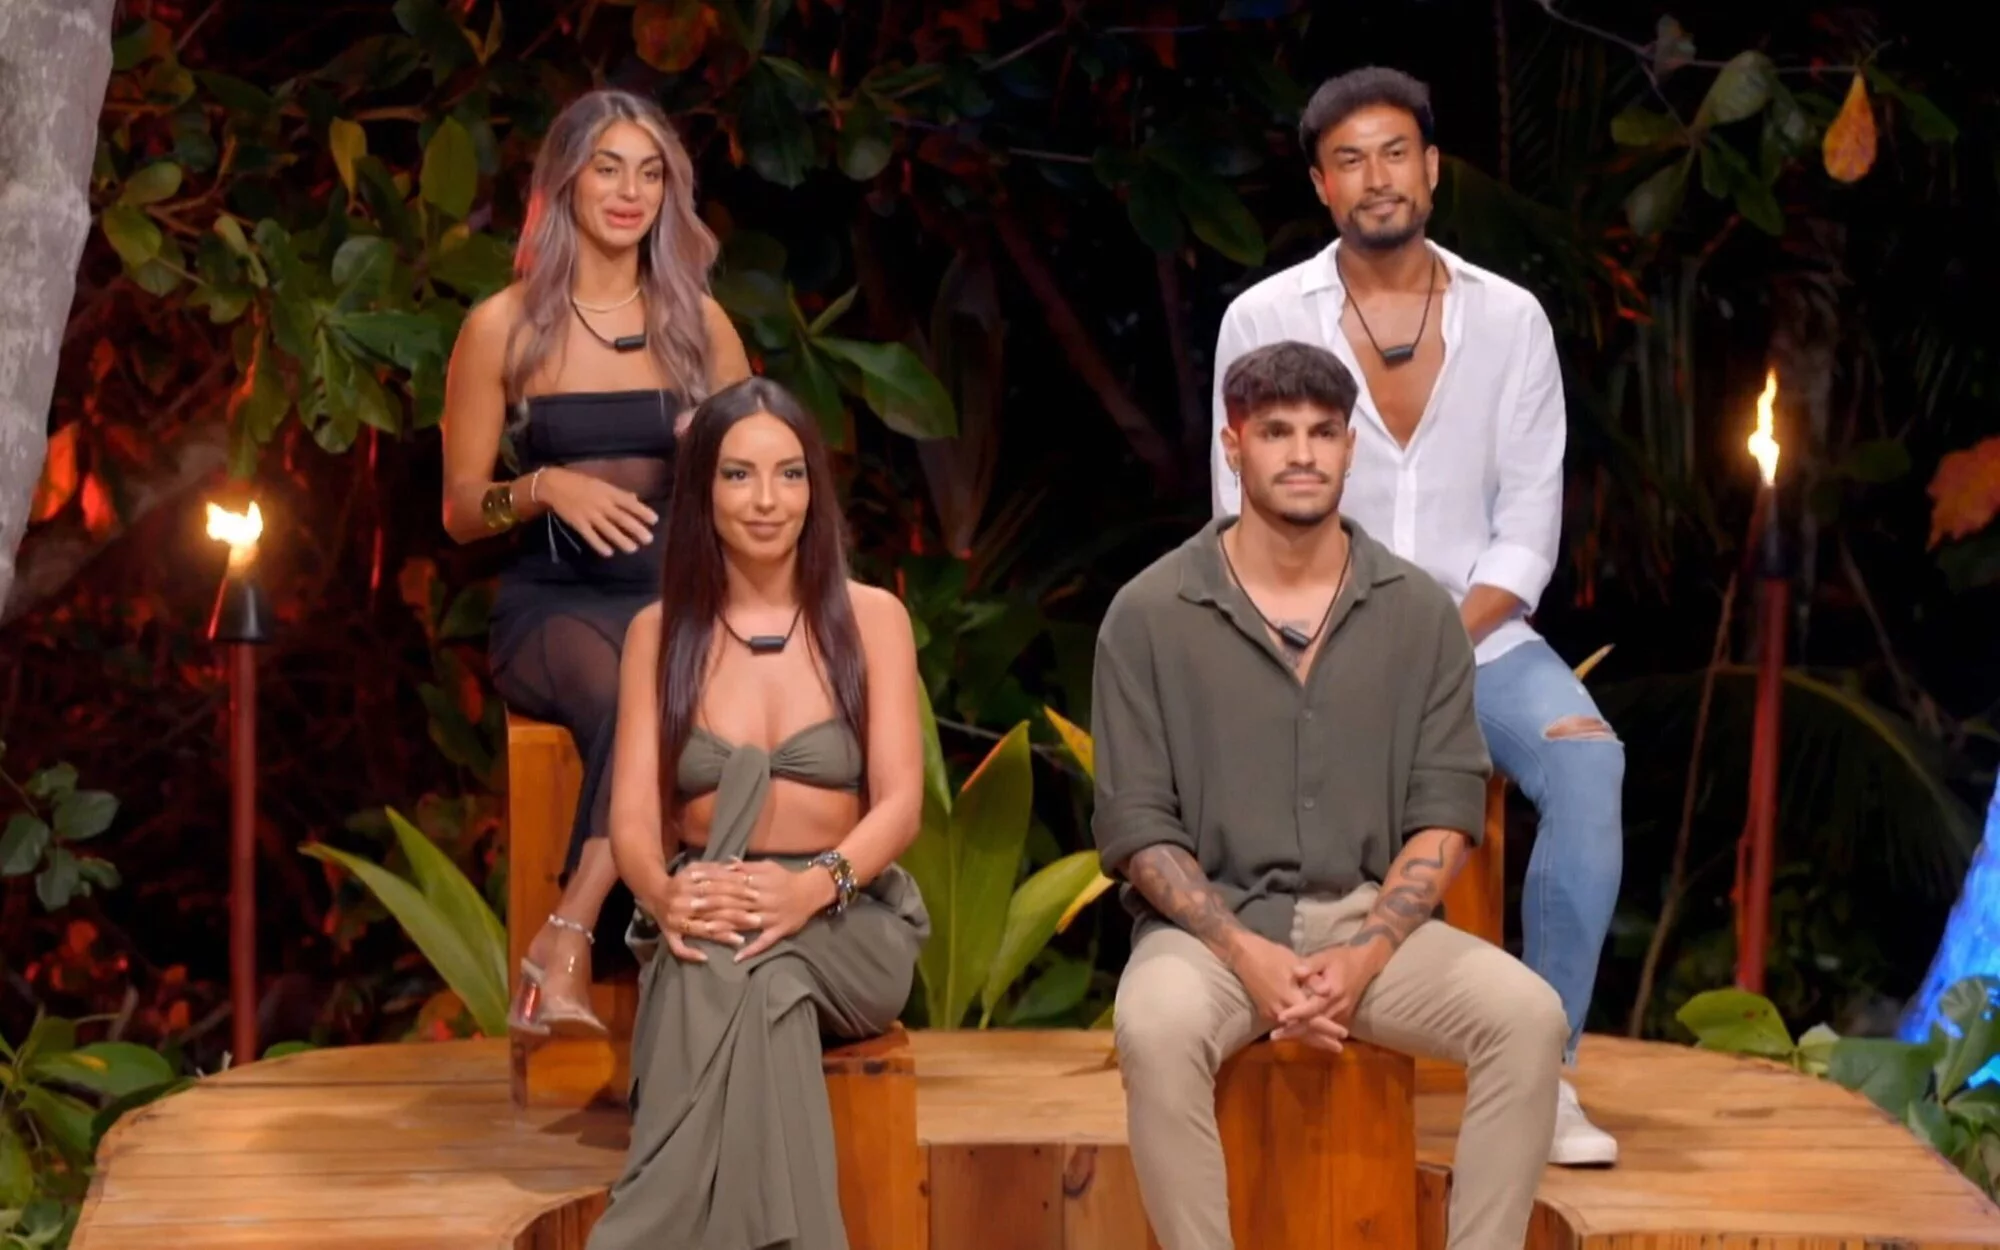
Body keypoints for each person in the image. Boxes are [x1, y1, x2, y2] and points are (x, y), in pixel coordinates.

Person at [1207, 66, 1623, 1165]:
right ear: (1320, 185)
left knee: (1589, 763)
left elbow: (1527, 534)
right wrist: (1318, 641)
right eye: (1348, 160)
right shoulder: (1262, 317)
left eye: (1395, 152)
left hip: (1476, 641)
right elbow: (1235, 511)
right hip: (1303, 641)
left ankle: (1548, 1074)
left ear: (1432, 169)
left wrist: (1433, 643)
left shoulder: (1511, 320)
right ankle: (1244, 1022)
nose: (1376, 176)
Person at [1099, 341, 1566, 1250]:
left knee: (1528, 1018)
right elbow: (1137, 827)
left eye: (1323, 432)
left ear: (1352, 448)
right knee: (1155, 1028)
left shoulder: (1419, 613)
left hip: (1370, 925)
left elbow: (1445, 812)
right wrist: (1246, 954)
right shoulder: (1150, 614)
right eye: (1277, 432)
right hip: (1210, 934)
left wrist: (1362, 955)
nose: (1303, 453)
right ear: (1234, 445)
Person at [585, 376, 929, 1250]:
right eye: (739, 475)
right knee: (758, 980)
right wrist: (666, 898)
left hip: (849, 913)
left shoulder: (874, 620)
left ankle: (642, 1230)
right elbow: (632, 823)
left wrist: (810, 889)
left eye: (789, 473)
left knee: (731, 963)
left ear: (815, 487)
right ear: (704, 491)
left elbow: (900, 807)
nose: (767, 500)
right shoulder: (660, 635)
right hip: (714, 910)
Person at [441, 88, 751, 1035]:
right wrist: (543, 488)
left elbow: (758, 482)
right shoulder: (503, 326)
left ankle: (573, 933)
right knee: (637, 692)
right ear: (565, 182)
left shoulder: (701, 326)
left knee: (672, 679)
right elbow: (461, 511)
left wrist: (714, 456)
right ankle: (576, 941)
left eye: (650, 173)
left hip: (675, 600)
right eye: (608, 168)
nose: (629, 192)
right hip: (556, 605)